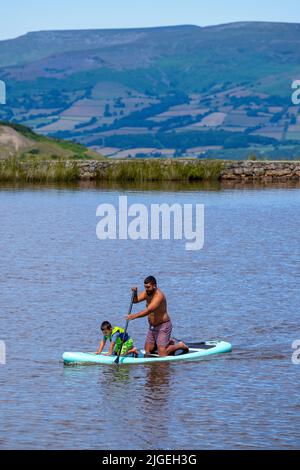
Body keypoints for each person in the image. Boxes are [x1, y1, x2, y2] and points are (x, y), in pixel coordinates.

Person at [126, 276, 189, 357]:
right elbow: (135, 300)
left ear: (154, 285)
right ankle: (169, 342)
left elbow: (149, 310)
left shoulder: (159, 296)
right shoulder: (146, 293)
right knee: (148, 350)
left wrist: (134, 316)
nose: (146, 289)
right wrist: (135, 293)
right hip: (152, 327)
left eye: (148, 287)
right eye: (145, 287)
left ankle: (180, 345)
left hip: (163, 326)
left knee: (162, 353)